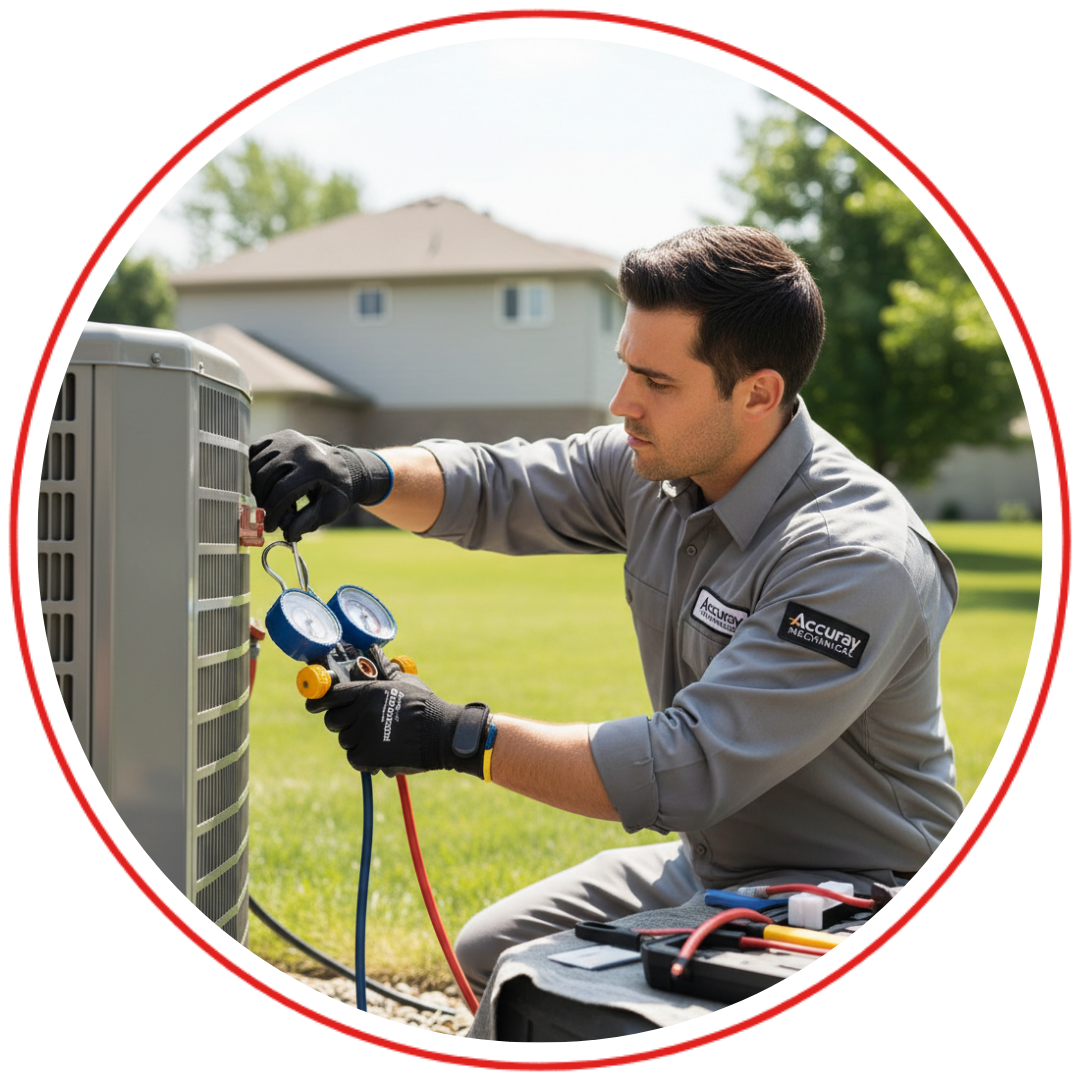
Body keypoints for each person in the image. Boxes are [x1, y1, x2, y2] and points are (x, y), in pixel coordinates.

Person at [248, 225, 964, 995]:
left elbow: (687, 766)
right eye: (627, 369)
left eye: (657, 383)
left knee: (570, 994)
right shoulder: (656, 467)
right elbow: (499, 485)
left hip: (855, 889)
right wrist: (361, 471)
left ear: (758, 392)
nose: (623, 404)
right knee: (492, 951)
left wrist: (451, 734)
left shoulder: (857, 558)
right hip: (714, 861)